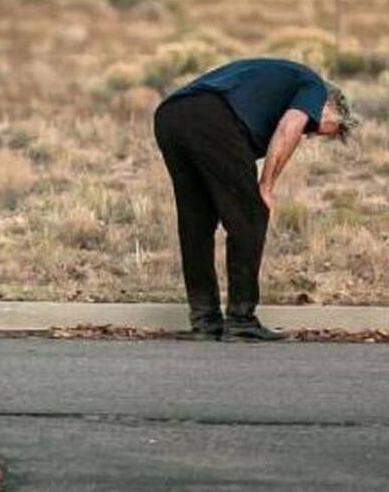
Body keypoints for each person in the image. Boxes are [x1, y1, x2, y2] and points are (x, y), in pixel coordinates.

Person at [153, 57, 357, 342]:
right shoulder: (314, 87)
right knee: (251, 215)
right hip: (211, 117)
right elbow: (290, 128)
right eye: (321, 129)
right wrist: (266, 186)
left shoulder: (277, 86)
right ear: (330, 106)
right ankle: (241, 321)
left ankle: (205, 321)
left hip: (171, 116)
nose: (311, 135)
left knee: (196, 223)